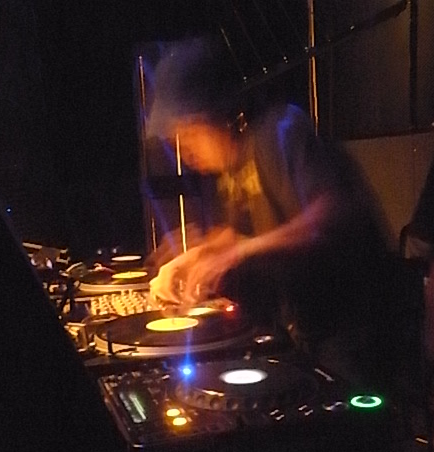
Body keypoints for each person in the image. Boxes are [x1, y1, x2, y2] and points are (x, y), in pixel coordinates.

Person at [147, 36, 394, 390]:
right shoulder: (233, 164)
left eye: (188, 135)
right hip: (304, 327)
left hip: (351, 328)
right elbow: (242, 235)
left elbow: (330, 214)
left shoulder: (281, 130)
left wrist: (238, 251)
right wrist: (194, 256)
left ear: (219, 113)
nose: (184, 152)